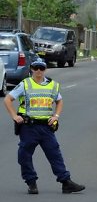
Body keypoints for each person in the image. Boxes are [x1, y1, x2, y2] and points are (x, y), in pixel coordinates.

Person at [3, 58, 85, 195]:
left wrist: (56, 116)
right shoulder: (25, 84)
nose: (39, 71)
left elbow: (59, 101)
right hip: (28, 127)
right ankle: (31, 182)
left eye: (41, 68)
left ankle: (66, 182)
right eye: (36, 68)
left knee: (55, 154)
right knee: (24, 155)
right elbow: (7, 99)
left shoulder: (52, 85)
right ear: (31, 69)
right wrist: (14, 116)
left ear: (45, 69)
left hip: (46, 127)